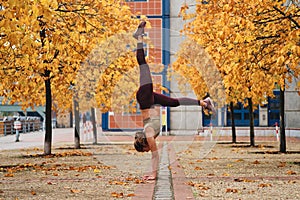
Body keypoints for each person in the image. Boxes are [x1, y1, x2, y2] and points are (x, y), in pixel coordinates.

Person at [133, 21, 215, 180]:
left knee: (143, 66)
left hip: (145, 100)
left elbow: (155, 156)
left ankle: (139, 38)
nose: (148, 151)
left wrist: (153, 175)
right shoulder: (149, 135)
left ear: (144, 144)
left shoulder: (149, 135)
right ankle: (204, 102)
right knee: (175, 102)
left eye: (144, 150)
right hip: (152, 101)